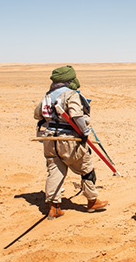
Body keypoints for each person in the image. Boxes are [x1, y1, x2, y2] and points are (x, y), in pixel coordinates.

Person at [34, 65, 108, 218]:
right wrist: (85, 132)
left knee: (54, 170)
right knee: (86, 167)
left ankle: (54, 207)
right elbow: (76, 116)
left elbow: (37, 114)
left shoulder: (48, 95)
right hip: (68, 140)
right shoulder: (71, 94)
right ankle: (92, 201)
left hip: (49, 140)